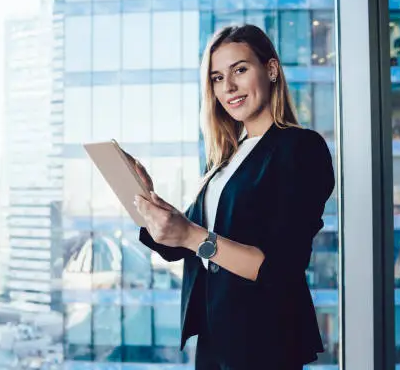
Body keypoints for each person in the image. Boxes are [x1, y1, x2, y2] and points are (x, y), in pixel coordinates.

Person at [123, 24, 335, 369]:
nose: (229, 87)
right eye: (217, 78)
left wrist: (192, 235)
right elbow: (178, 244)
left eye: (240, 70)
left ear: (270, 70)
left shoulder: (300, 148)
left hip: (265, 341)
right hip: (216, 338)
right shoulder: (227, 158)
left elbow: (279, 268)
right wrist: (145, 198)